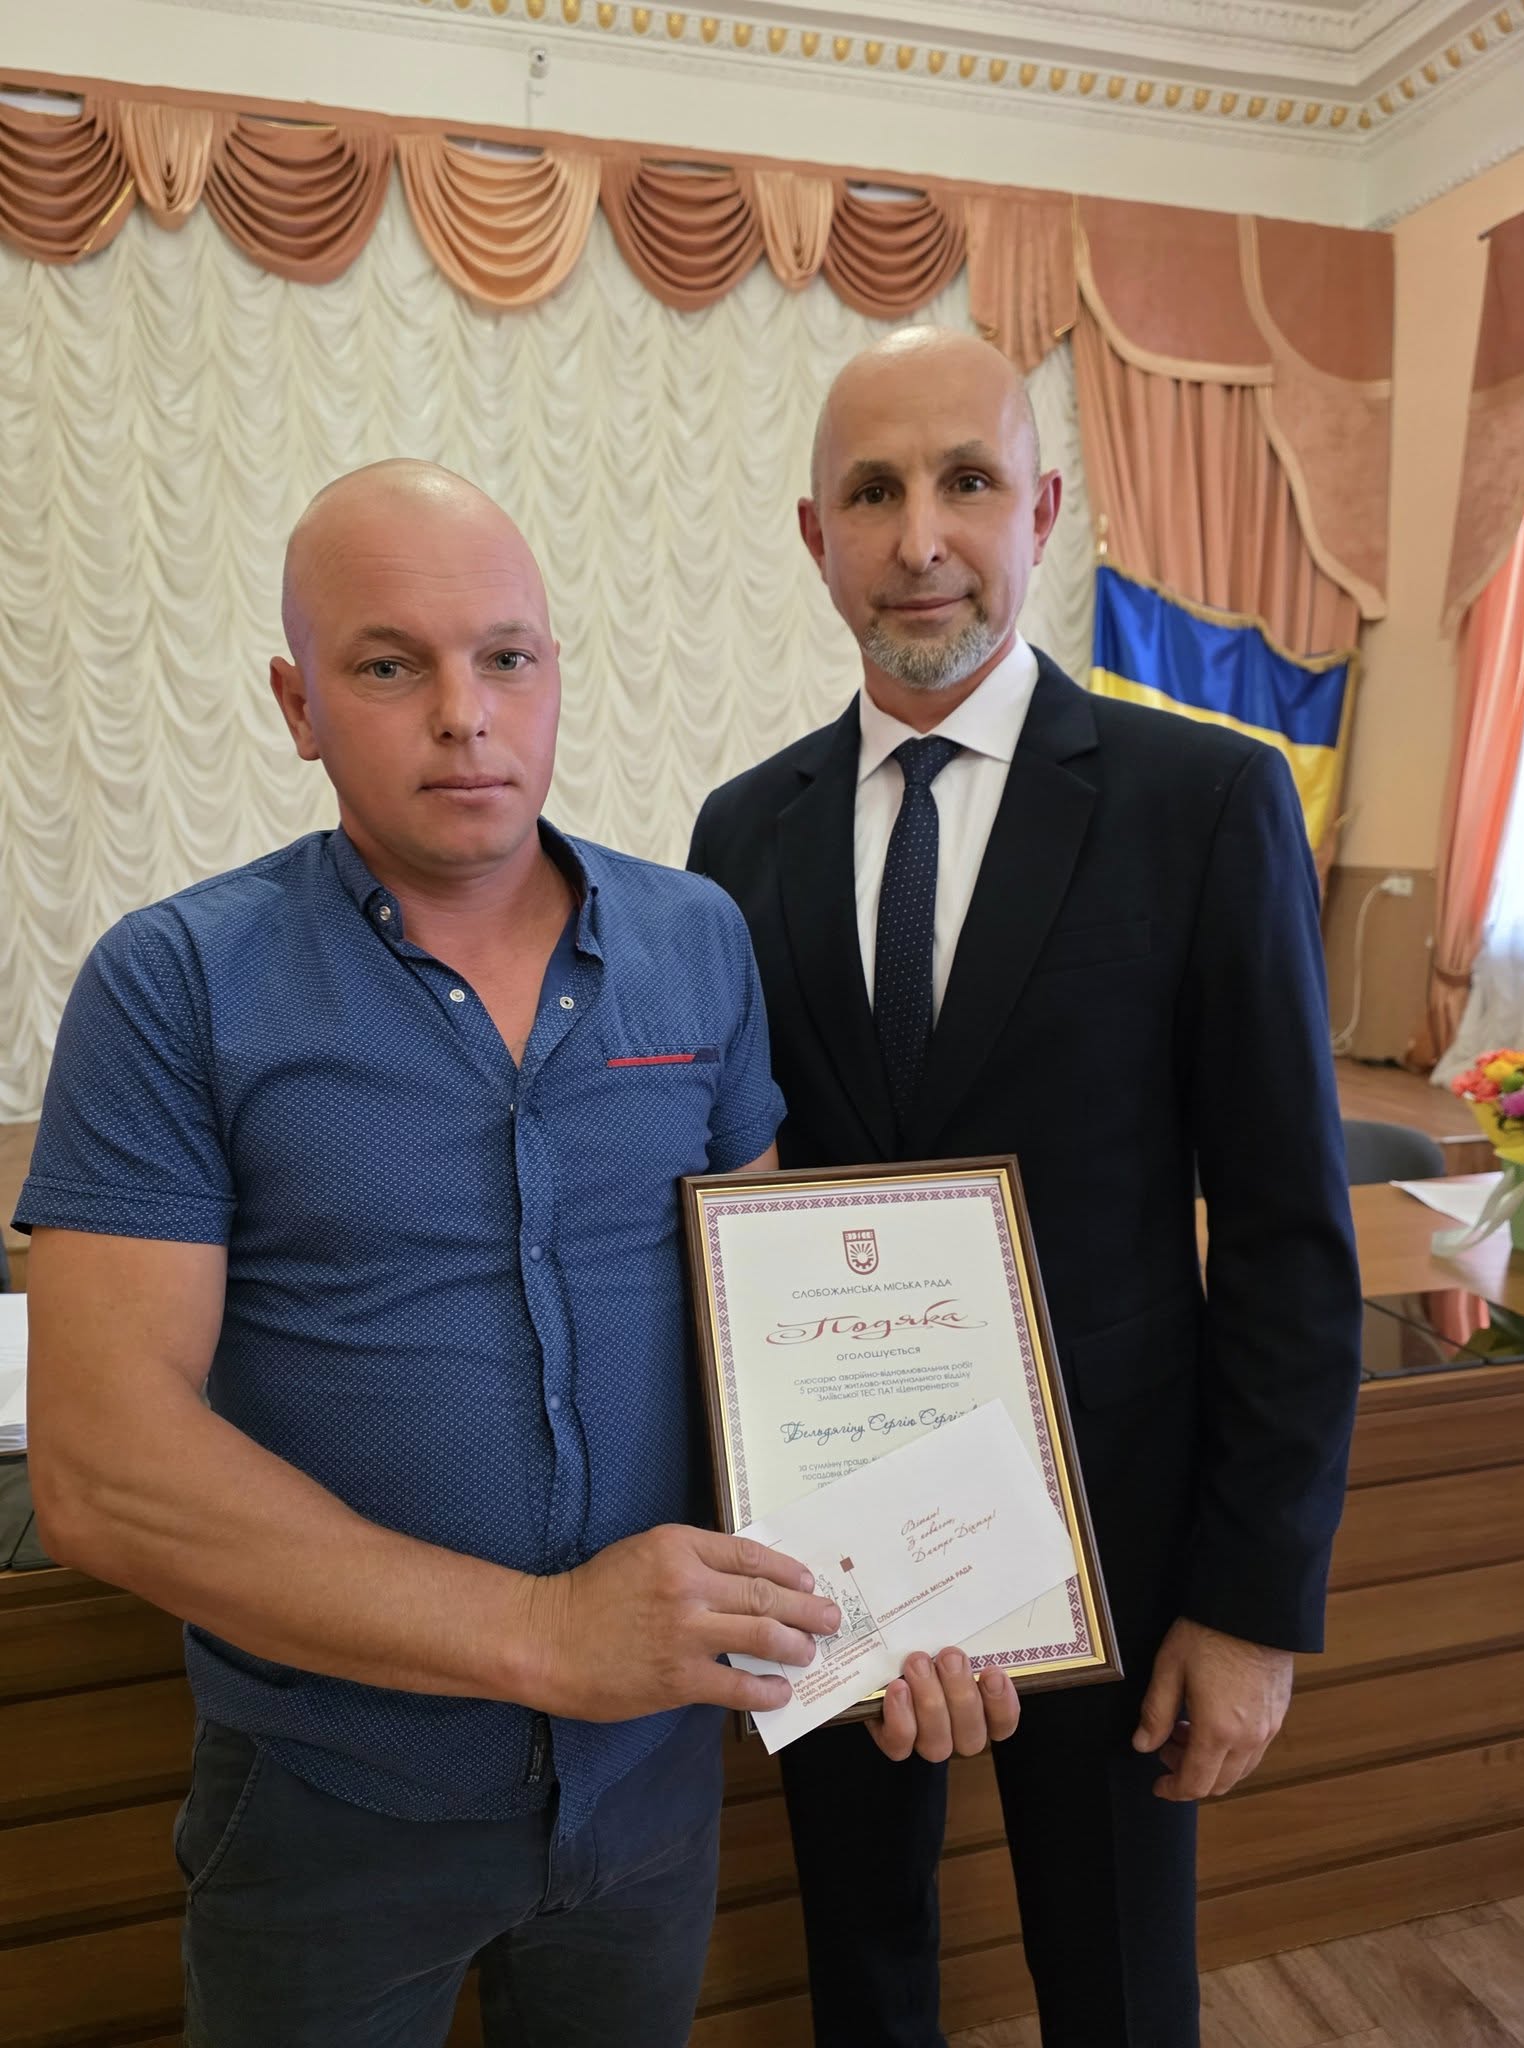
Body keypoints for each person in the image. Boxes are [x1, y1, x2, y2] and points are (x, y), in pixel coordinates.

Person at [16, 460, 844, 2048]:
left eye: (505, 657)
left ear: (554, 675)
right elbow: (104, 1472)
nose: (466, 714)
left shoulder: (697, 941)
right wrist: (548, 1636)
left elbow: (780, 1342)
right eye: (391, 665)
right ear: (299, 704)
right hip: (333, 1800)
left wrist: (899, 1610)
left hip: (653, 1780)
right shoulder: (176, 984)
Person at [688, 329, 1362, 2047]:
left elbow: (1287, 1238)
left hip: (1117, 1557)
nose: (920, 537)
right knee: (862, 1973)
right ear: (815, 537)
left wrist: (1251, 1605)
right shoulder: (737, 838)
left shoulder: (1206, 803)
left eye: (967, 481)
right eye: (872, 492)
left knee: (1120, 1989)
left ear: (1042, 510)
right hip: (831, 1554)